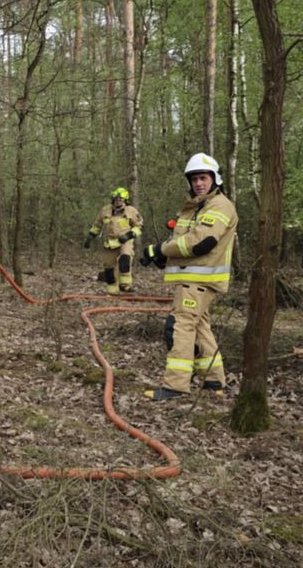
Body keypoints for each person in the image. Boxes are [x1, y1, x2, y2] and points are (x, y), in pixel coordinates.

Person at [139, 153, 239, 400]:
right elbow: (183, 242)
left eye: (203, 178)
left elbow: (201, 242)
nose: (198, 183)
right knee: (201, 327)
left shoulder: (220, 206)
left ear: (215, 179)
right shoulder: (197, 207)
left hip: (199, 280)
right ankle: (214, 382)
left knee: (179, 327)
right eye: (194, 179)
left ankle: (175, 385)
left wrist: (159, 249)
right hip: (193, 280)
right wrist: (164, 255)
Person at [85, 187, 144, 294]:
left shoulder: (131, 211)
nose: (118, 201)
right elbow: (97, 225)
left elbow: (139, 227)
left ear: (125, 200)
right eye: (116, 199)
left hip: (125, 241)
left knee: (125, 259)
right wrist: (90, 236)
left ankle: (125, 286)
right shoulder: (105, 210)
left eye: (120, 199)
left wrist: (128, 235)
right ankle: (113, 291)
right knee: (109, 268)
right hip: (110, 242)